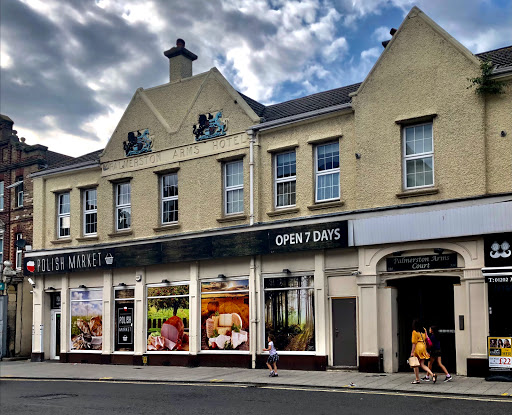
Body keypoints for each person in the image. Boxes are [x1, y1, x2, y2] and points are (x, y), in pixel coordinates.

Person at [410, 319, 435, 384]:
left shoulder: (415, 332)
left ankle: (417, 379)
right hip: (423, 346)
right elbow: (426, 339)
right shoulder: (424, 330)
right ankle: (432, 374)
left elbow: (414, 343)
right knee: (422, 364)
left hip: (418, 347)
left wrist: (412, 352)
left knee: (415, 365)